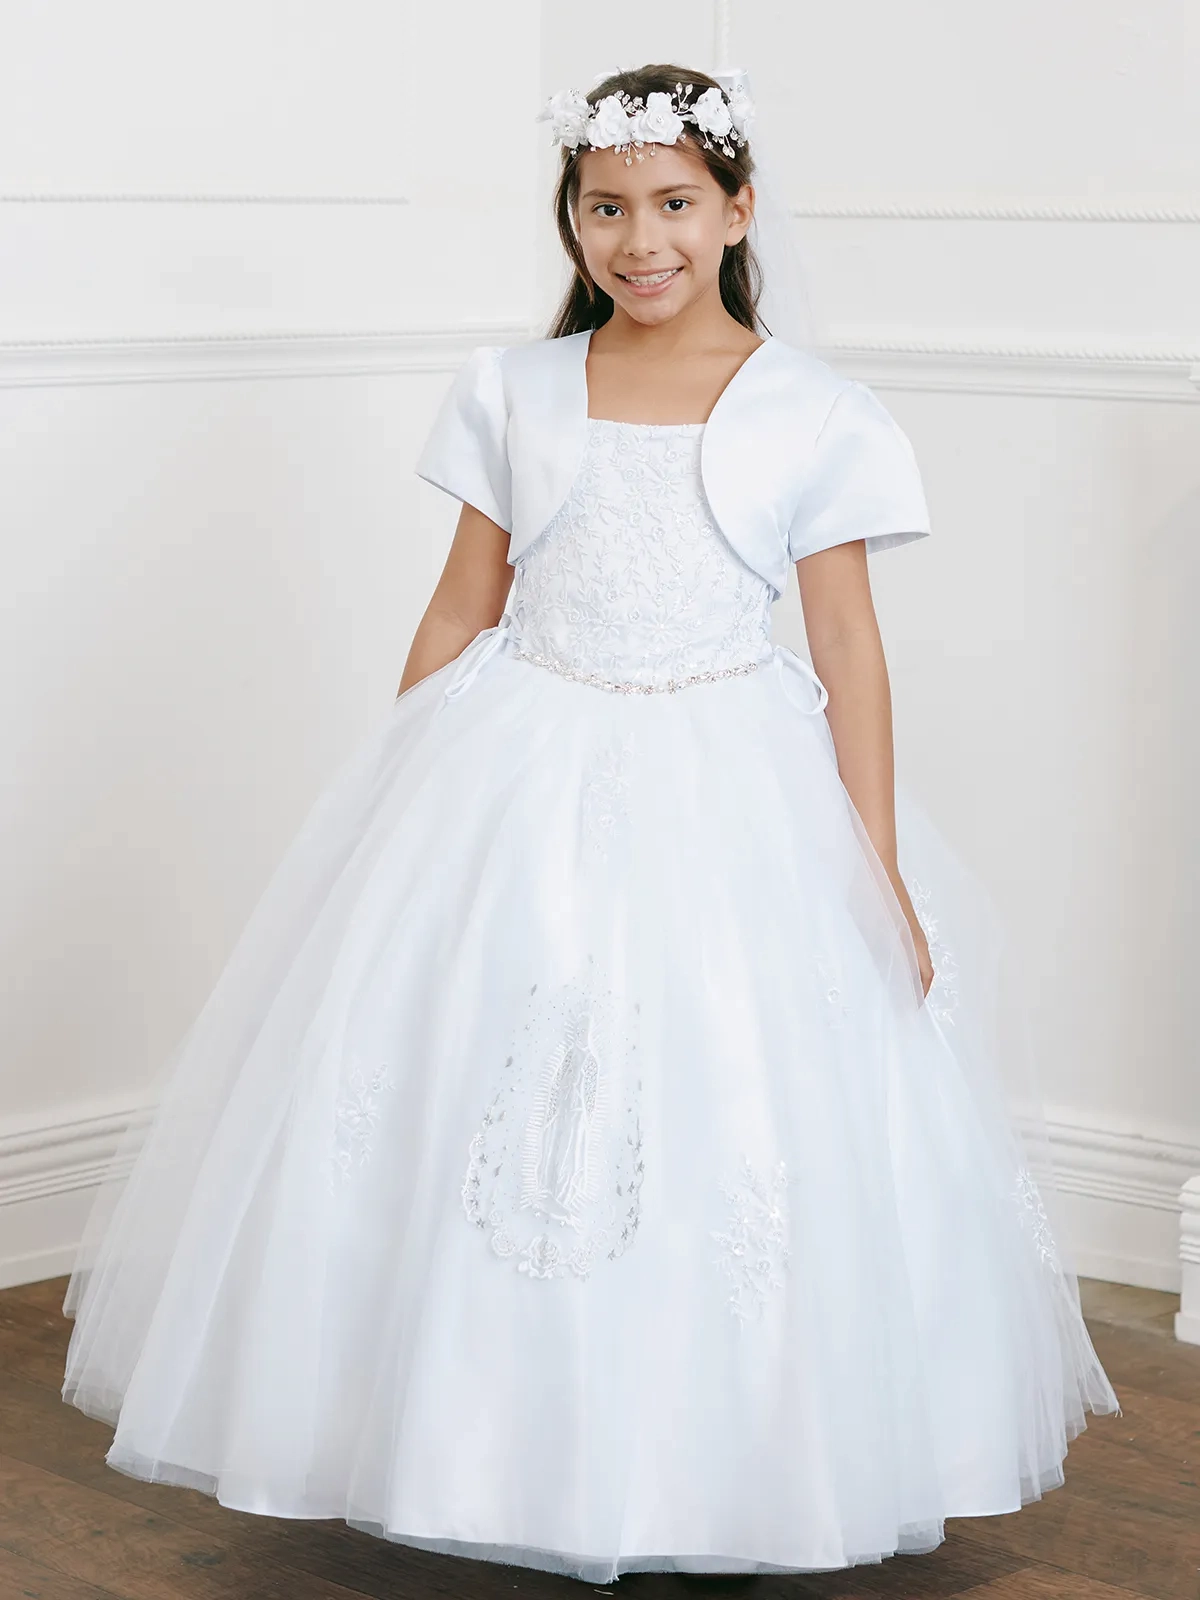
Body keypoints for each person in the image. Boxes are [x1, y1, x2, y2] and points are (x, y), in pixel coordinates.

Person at [60, 62, 1120, 1585]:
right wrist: (395, 793)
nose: (640, 239)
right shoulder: (515, 389)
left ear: (737, 212)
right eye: (605, 208)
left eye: (675, 203)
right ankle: (479, 1443)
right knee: (479, 1082)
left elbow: (848, 650)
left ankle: (722, 1464)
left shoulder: (814, 411)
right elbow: (458, 606)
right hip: (522, 764)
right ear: (571, 218)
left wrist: (876, 866)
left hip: (731, 780)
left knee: (729, 1091)